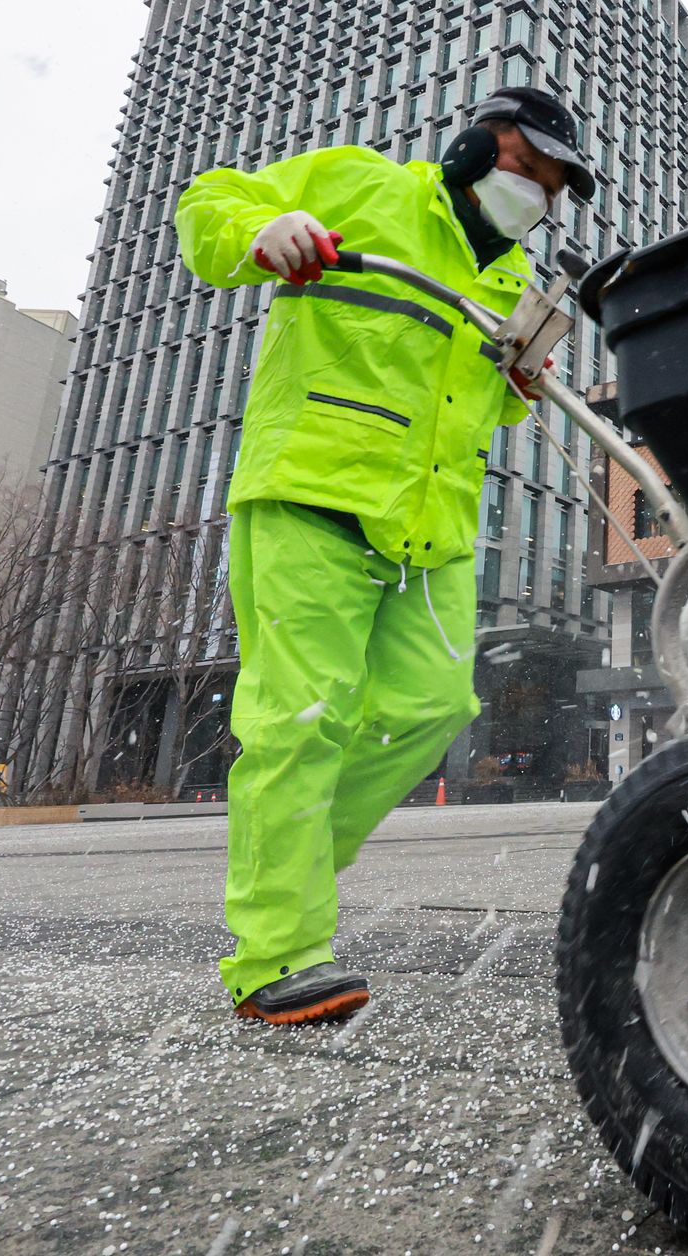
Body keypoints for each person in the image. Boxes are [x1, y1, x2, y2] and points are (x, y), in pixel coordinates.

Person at [175, 87, 596, 1025]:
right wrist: (265, 227)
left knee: (432, 706)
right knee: (304, 719)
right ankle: (276, 958)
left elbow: (472, 404)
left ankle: (284, 869)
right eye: (528, 169)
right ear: (475, 145)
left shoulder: (511, 279)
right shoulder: (359, 187)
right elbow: (207, 205)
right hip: (312, 492)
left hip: (433, 528)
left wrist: (521, 382)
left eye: (553, 186)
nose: (536, 194)